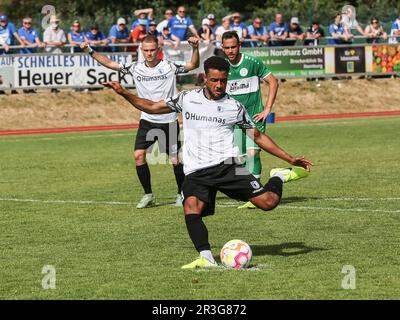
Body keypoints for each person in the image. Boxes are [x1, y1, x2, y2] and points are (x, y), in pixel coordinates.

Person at [102, 56, 313, 269]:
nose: (219, 85)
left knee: (269, 203)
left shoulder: (234, 107)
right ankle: (206, 257)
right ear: (205, 78)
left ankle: (279, 176)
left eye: (223, 80)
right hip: (195, 172)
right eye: (214, 80)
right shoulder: (186, 98)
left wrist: (289, 159)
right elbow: (151, 107)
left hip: (226, 167)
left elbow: (257, 137)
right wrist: (124, 93)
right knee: (191, 208)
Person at [81, 35, 200, 208]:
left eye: (152, 50)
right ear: (141, 50)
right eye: (146, 50)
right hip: (147, 120)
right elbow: (110, 63)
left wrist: (195, 49)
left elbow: (193, 65)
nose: (149, 53)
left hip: (168, 120)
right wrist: (89, 51)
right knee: (138, 155)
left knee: (175, 159)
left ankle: (181, 193)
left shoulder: (169, 66)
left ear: (158, 50)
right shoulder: (135, 67)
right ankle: (148, 195)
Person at [222, 31, 279, 209]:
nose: (230, 50)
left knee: (253, 153)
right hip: (234, 119)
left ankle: (255, 195)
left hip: (254, 115)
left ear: (239, 46)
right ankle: (250, 191)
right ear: (222, 48)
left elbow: (273, 81)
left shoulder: (252, 62)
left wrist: (267, 109)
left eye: (233, 46)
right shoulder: (222, 67)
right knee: (240, 158)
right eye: (227, 47)